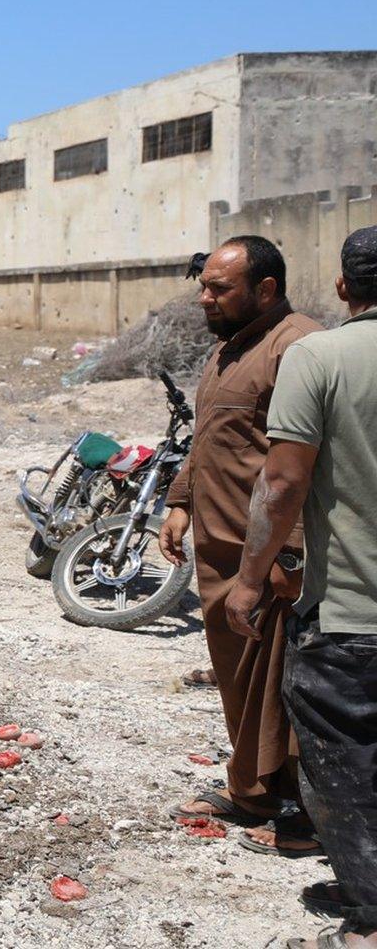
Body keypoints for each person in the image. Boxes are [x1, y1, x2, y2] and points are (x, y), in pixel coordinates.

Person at [230, 226, 377, 949]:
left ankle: (372, 919)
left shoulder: (319, 356)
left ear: (344, 288)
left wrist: (249, 579)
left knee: (347, 761)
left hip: (355, 613)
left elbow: (283, 480)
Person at [159, 236, 322, 854]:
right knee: (239, 680)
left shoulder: (297, 346)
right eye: (204, 285)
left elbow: (299, 465)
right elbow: (209, 438)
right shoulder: (229, 348)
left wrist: (288, 552)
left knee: (283, 688)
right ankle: (253, 791)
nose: (205, 297)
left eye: (219, 288)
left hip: (269, 556)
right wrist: (178, 502)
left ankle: (309, 816)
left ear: (266, 290)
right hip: (220, 551)